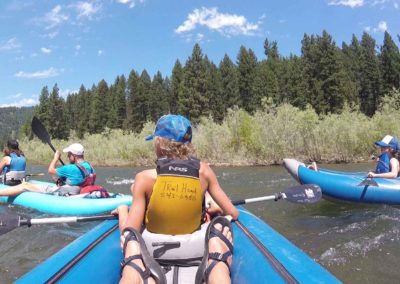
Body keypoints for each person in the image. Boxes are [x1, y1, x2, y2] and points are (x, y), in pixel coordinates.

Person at [116, 114, 239, 284]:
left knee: (131, 240)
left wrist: (123, 210)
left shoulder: (144, 178)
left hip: (153, 248)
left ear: (159, 143)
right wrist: (213, 209)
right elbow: (232, 213)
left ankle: (137, 273)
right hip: (195, 248)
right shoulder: (204, 172)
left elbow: (130, 232)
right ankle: (216, 265)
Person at [0, 143, 96, 196]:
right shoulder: (89, 166)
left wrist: (55, 158)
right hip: (79, 190)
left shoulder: (70, 168)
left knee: (25, 185)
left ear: (74, 156)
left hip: (69, 192)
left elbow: (50, 170)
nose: (68, 156)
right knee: (55, 179)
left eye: (69, 154)